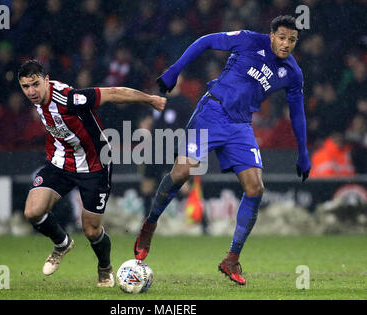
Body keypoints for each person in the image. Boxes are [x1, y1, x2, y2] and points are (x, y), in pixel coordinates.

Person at [134, 15, 311, 285]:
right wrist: (175, 69)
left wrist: (303, 152)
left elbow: (297, 113)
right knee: (181, 173)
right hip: (212, 112)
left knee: (255, 188)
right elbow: (206, 41)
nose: (286, 44)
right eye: (283, 37)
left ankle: (231, 259)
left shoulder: (293, 73)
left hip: (240, 125)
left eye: (292, 40)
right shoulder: (250, 40)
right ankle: (150, 224)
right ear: (272, 35)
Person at [17, 60, 166, 287]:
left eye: (35, 84)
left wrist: (150, 99)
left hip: (95, 166)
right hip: (61, 162)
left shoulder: (69, 99)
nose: (31, 91)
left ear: (46, 80)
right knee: (32, 212)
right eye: (25, 87)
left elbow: (114, 93)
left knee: (91, 229)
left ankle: (105, 268)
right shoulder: (37, 100)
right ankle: (62, 243)